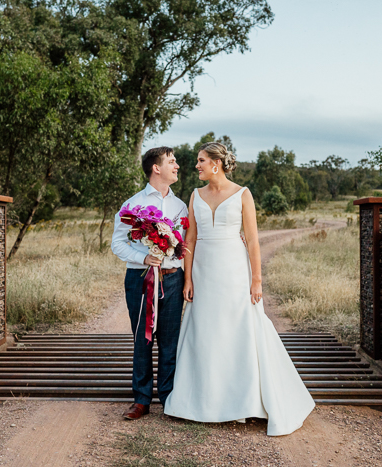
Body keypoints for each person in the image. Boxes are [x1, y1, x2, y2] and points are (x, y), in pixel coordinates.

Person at [163, 142, 315, 436]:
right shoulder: (195, 196)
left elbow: (254, 240)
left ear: (216, 164)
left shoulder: (243, 194)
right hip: (204, 271)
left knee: (238, 328)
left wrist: (256, 279)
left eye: (201, 161)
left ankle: (244, 401)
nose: (197, 165)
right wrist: (188, 278)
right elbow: (190, 241)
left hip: (234, 270)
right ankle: (201, 402)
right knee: (204, 330)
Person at [111, 147, 188, 420]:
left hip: (172, 279)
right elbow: (117, 243)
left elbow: (187, 245)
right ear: (156, 168)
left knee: (170, 342)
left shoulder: (181, 207)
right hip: (140, 279)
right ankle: (141, 400)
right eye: (171, 161)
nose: (176, 165)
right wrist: (143, 257)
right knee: (142, 339)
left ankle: (168, 399)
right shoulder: (133, 204)